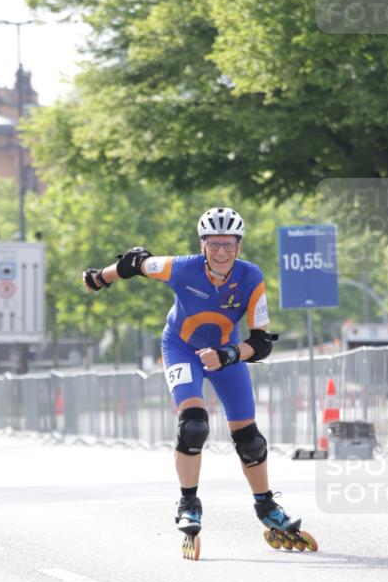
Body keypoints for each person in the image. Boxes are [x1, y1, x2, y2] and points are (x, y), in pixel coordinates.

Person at [82, 206, 302, 550]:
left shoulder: (251, 277)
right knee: (194, 424)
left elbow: (261, 342)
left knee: (249, 439)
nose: (221, 252)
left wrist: (227, 354)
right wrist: (100, 278)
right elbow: (136, 262)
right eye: (214, 244)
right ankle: (188, 504)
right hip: (180, 347)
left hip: (226, 354)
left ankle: (266, 505)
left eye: (228, 245)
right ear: (202, 245)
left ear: (239, 246)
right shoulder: (181, 268)